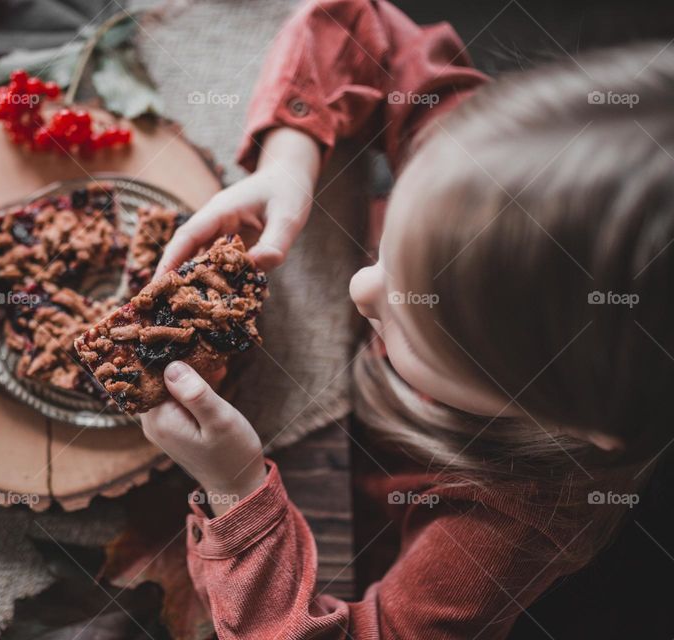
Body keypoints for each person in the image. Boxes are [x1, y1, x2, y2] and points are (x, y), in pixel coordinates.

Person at [140, 1, 674, 637]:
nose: (361, 284)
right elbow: (361, 23)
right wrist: (290, 156)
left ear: (564, 414)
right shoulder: (480, 168)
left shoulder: (514, 523)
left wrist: (235, 490)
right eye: (389, 247)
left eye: (418, 320)